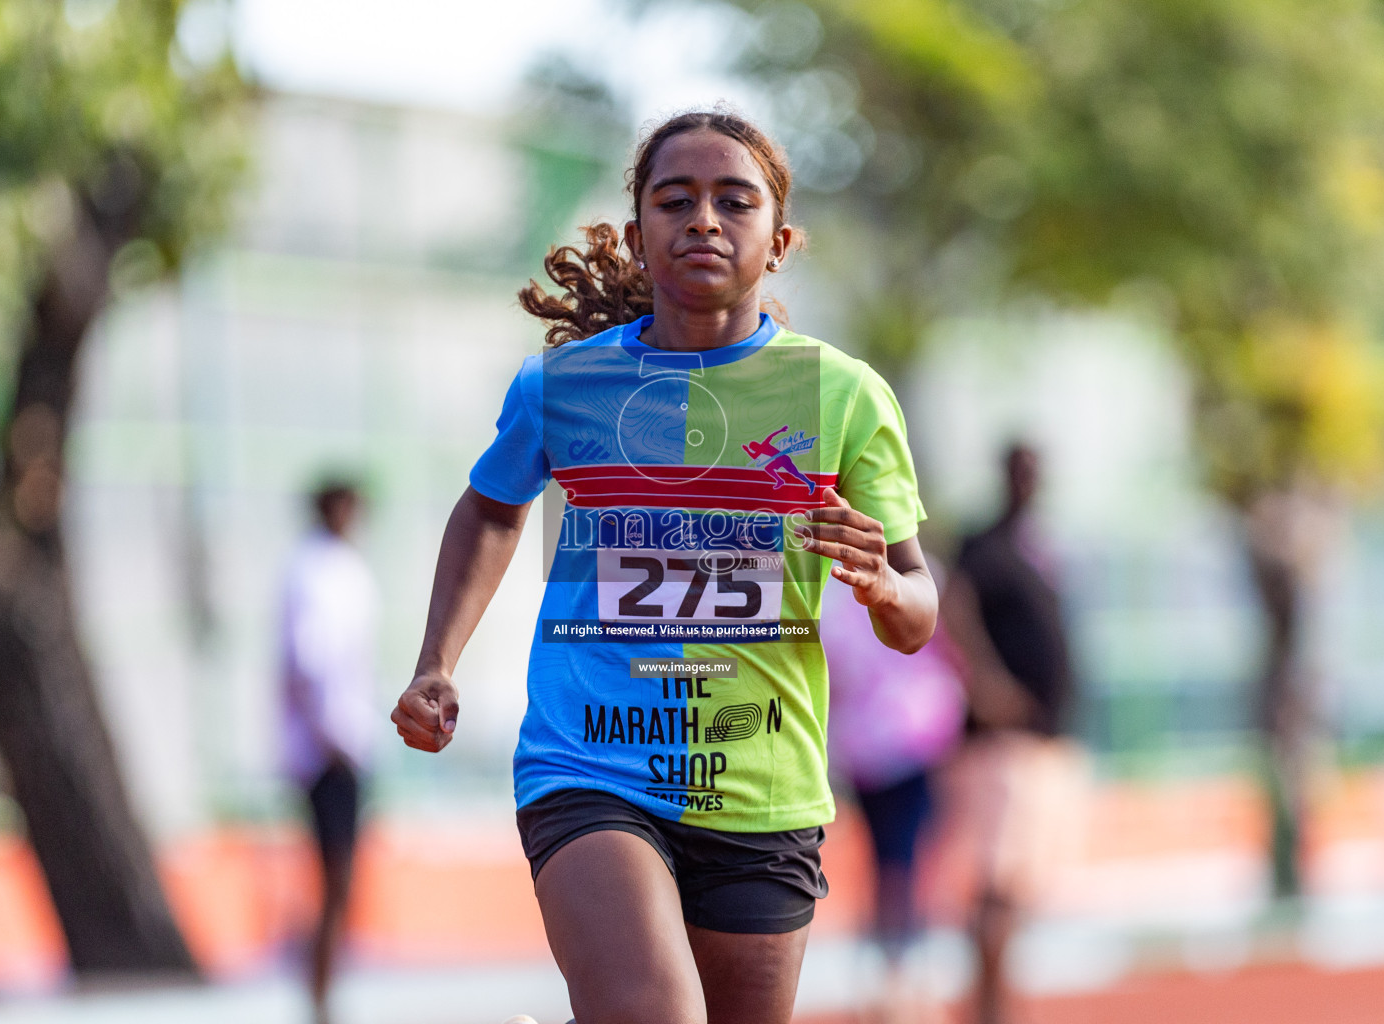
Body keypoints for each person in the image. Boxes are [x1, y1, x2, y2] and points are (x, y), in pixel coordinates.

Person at [391, 109, 937, 1024]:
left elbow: (918, 615)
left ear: (781, 239)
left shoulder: (842, 395)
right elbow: (491, 507)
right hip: (590, 763)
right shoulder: (561, 386)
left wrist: (885, 585)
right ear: (639, 230)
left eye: (735, 200)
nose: (704, 221)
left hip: (763, 782)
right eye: (674, 200)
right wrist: (436, 662)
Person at [940, 443, 1082, 1024]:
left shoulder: (1034, 546)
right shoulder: (985, 545)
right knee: (995, 886)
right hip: (1002, 743)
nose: (1029, 482)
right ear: (1005, 475)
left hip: (1037, 741)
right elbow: (951, 608)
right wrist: (986, 684)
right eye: (1021, 470)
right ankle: (987, 1012)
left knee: (1016, 888)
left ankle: (994, 1007)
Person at [820, 558, 966, 1020]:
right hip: (913, 740)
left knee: (890, 864)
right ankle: (901, 987)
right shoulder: (921, 581)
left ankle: (887, 982)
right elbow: (953, 648)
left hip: (867, 748)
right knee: (907, 866)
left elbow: (833, 674)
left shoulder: (834, 593)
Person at [279, 480, 378, 1024]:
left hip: (344, 745)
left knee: (341, 879)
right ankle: (317, 996)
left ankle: (323, 989)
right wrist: (335, 738)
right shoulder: (313, 572)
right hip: (327, 752)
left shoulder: (344, 569)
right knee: (333, 875)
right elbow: (310, 664)